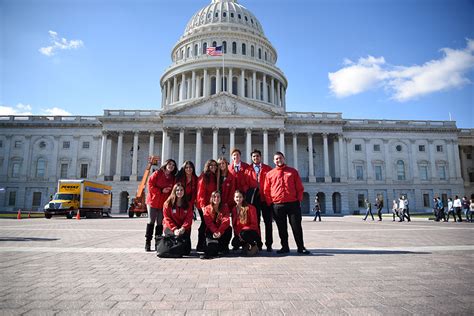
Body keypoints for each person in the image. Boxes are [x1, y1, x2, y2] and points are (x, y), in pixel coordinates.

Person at [263, 152, 310, 255]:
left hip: (292, 203)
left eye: (280, 158)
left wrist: (298, 200)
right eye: (276, 159)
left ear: (284, 159)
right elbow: (266, 190)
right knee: (282, 228)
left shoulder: (293, 172)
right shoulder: (270, 174)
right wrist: (270, 202)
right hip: (277, 204)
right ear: (273, 161)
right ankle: (285, 246)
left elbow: (299, 187)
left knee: (296, 226)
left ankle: (300, 247)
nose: (278, 160)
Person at [243, 149, 273, 251]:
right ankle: (258, 242)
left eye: (257, 156)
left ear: (261, 157)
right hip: (254, 199)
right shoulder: (247, 170)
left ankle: (269, 244)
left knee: (268, 222)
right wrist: (250, 192)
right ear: (251, 158)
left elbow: (271, 183)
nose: (256, 158)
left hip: (266, 198)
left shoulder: (268, 169)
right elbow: (245, 184)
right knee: (256, 222)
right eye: (254, 156)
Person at [145, 159, 177, 252]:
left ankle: (157, 242)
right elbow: (150, 185)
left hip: (163, 203)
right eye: (169, 164)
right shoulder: (157, 173)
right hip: (153, 201)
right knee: (151, 221)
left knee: (159, 223)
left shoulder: (172, 178)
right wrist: (161, 191)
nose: (171, 166)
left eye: (173, 165)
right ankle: (148, 242)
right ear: (166, 165)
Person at [158, 183, 193, 258]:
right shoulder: (168, 203)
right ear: (174, 191)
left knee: (186, 251)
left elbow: (189, 218)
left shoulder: (188, 204)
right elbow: (167, 218)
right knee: (174, 244)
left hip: (182, 228)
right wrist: (174, 229)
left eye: (181, 190)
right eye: (177, 190)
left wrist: (183, 228)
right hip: (170, 227)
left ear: (184, 191)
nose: (179, 192)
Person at [196, 159, 218, 252]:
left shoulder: (215, 176)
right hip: (204, 205)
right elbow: (201, 193)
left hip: (211, 205)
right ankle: (200, 244)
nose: (213, 167)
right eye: (211, 165)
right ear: (207, 166)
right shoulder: (204, 176)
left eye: (215, 165)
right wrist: (203, 206)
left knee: (208, 224)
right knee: (204, 224)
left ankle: (206, 243)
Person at [202, 191, 232, 259]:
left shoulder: (225, 207)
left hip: (221, 231)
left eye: (218, 197)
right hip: (211, 231)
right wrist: (215, 231)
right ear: (211, 198)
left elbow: (226, 221)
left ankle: (224, 247)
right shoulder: (207, 208)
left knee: (229, 229)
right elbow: (209, 223)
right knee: (211, 246)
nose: (216, 198)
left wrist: (220, 231)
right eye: (214, 197)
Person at [231, 190, 260, 256]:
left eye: (240, 197)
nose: (238, 199)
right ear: (234, 198)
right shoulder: (234, 209)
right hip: (240, 234)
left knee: (244, 234)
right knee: (234, 243)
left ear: (243, 198)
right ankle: (245, 245)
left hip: (251, 233)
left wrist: (242, 231)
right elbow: (234, 225)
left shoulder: (251, 208)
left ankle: (254, 246)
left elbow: (254, 225)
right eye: (237, 197)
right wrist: (238, 235)